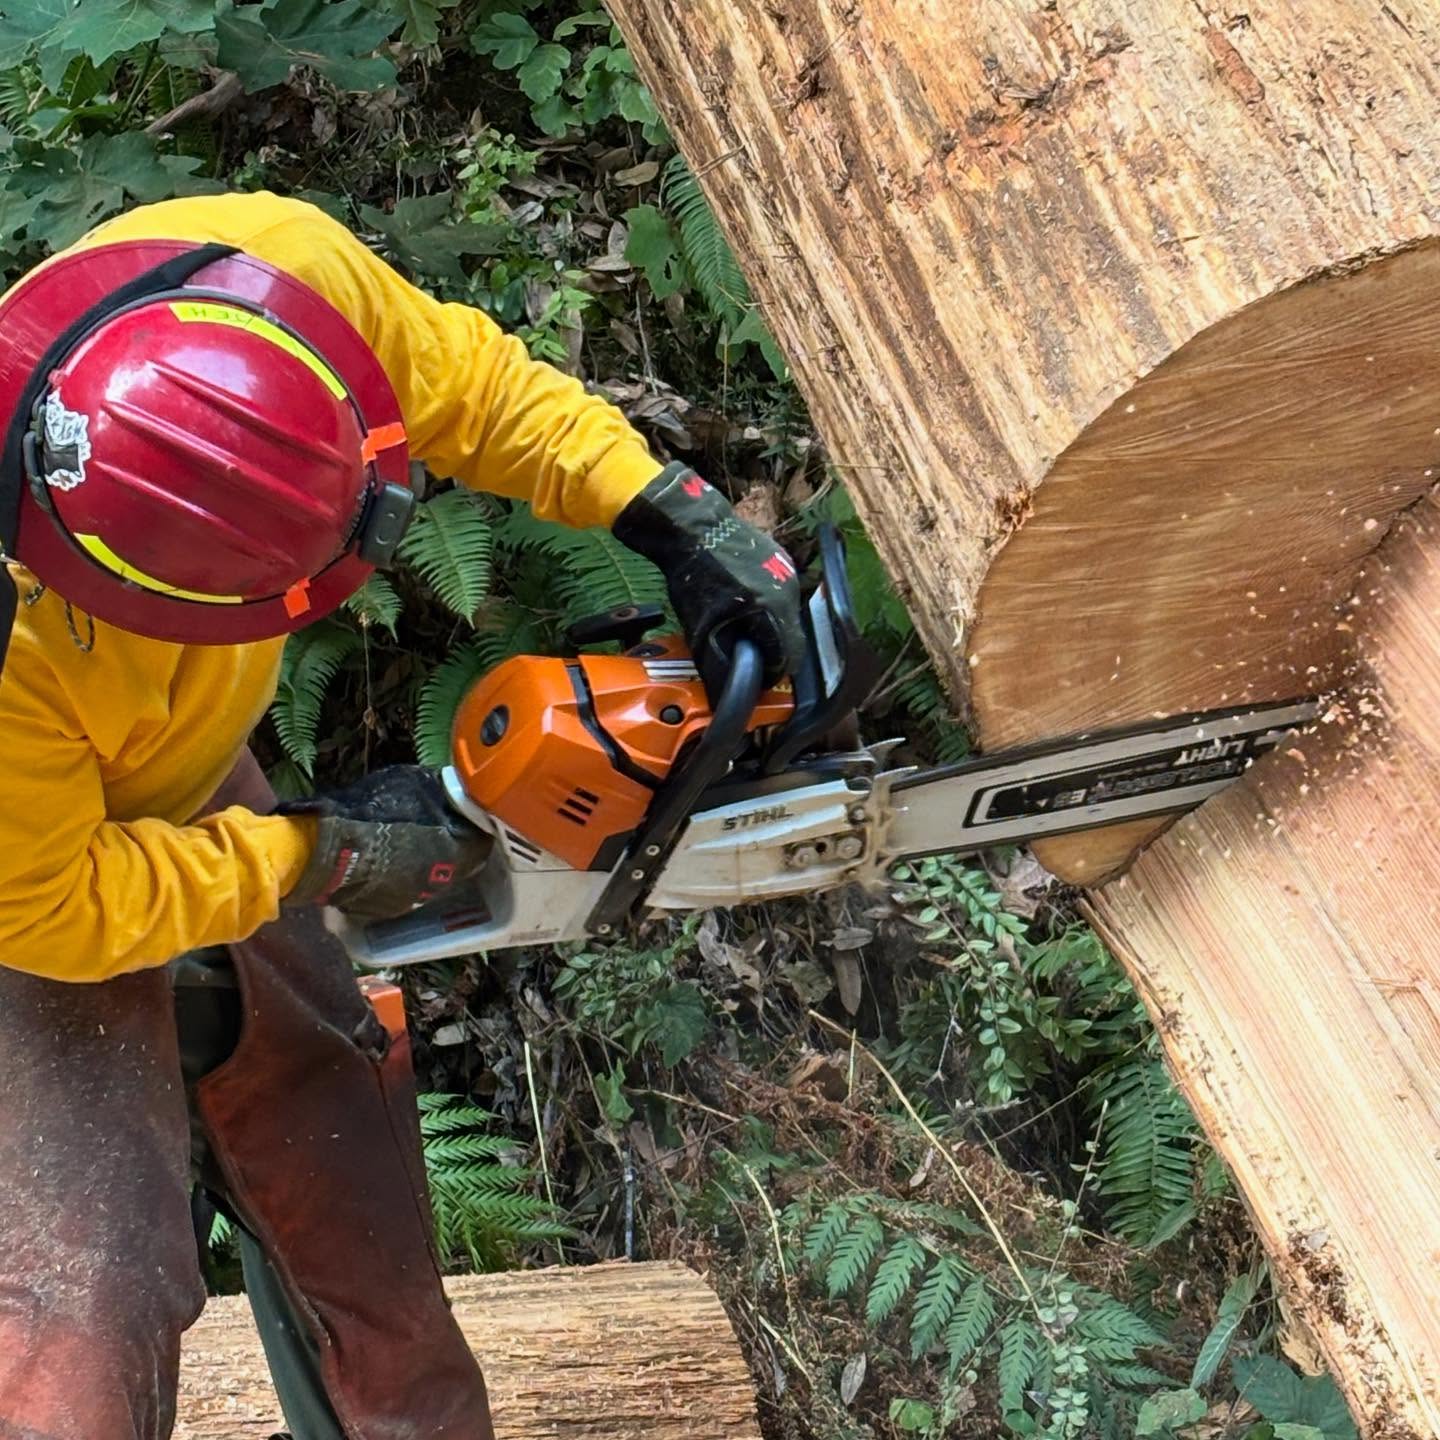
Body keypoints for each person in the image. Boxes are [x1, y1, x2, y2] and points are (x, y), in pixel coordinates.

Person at [0, 190, 804, 1440]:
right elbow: (50, 905)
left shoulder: (264, 275)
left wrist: (661, 511)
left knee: (334, 1120)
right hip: (28, 887)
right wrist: (313, 854)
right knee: (81, 1304)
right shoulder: (13, 652)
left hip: (157, 759)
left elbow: (462, 382)